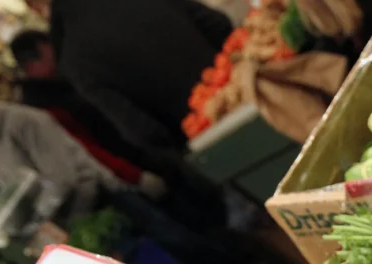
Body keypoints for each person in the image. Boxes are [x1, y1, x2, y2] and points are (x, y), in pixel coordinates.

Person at [41, 0, 232, 153]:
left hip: (207, 137)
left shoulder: (73, 58)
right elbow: (218, 24)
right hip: (246, 88)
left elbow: (140, 130)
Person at [9, 30, 165, 196]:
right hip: (125, 172)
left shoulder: (59, 80)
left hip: (136, 152)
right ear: (32, 66)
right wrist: (135, 177)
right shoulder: (43, 108)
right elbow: (84, 148)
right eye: (50, 50)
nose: (57, 53)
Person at [0, 101, 132, 221]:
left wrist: (42, 221)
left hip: (105, 199)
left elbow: (66, 177)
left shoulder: (18, 123)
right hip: (73, 214)